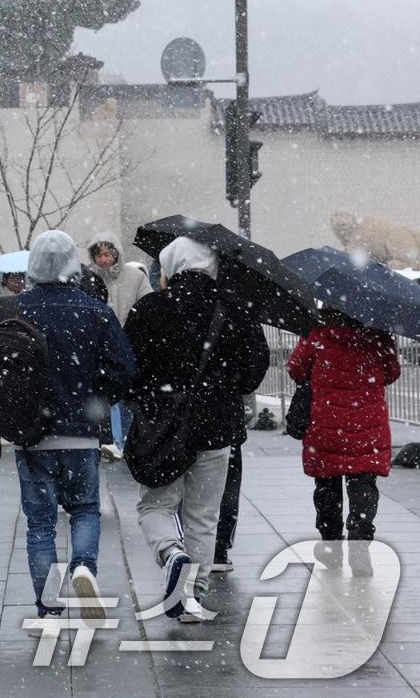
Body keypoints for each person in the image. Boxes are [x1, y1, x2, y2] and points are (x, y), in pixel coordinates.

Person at [123, 236, 268, 622]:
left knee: (155, 503)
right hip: (217, 425)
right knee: (204, 514)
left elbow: (129, 369)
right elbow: (254, 374)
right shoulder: (235, 311)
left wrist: (146, 397)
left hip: (163, 425)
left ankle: (172, 553)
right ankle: (192, 598)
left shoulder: (149, 308)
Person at [13, 231, 135, 626]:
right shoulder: (94, 311)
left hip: (31, 432)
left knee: (41, 522)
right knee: (84, 509)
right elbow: (124, 370)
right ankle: (84, 568)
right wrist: (96, 399)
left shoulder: (14, 310)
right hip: (80, 430)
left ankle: (48, 604)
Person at [287, 308, 400, 571]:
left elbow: (297, 370)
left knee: (327, 489)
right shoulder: (377, 334)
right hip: (367, 425)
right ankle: (360, 545)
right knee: (363, 487)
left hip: (326, 424)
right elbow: (391, 373)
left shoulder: (316, 333)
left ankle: (331, 546)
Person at [87, 232, 153, 458]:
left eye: (108, 254)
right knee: (111, 398)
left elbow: (148, 307)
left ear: (116, 253)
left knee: (127, 397)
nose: (104, 259)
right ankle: (117, 441)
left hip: (130, 344)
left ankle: (126, 440)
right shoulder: (88, 279)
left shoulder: (135, 277)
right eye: (99, 255)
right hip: (100, 346)